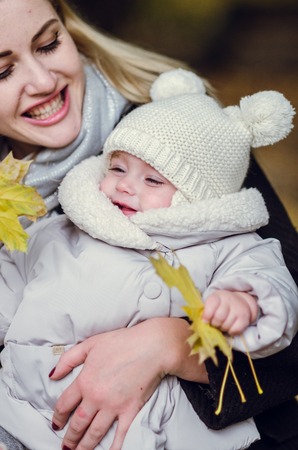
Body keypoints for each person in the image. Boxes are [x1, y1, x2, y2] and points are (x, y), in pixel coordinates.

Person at [0, 1, 297, 449]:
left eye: (49, 44)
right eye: (2, 72)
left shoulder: (181, 132)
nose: (43, 83)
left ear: (70, 29)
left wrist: (170, 345)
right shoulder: (26, 223)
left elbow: (285, 326)